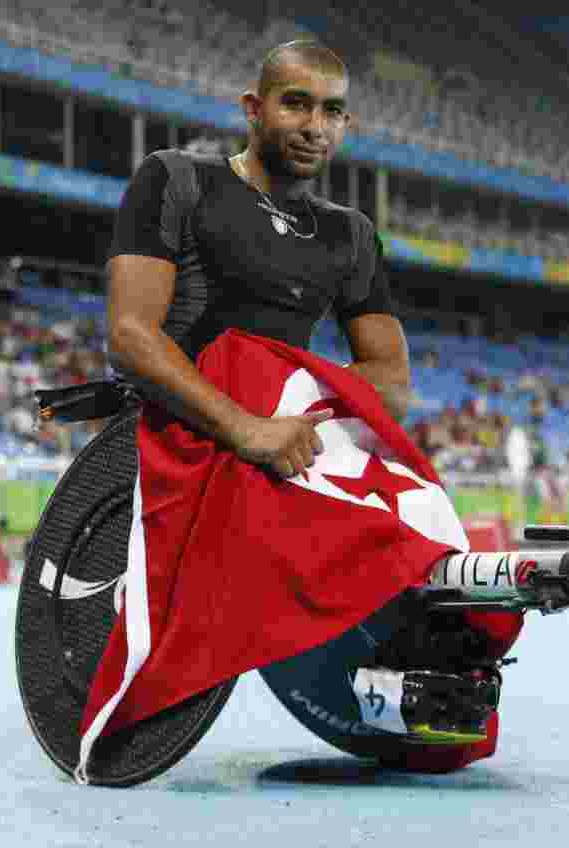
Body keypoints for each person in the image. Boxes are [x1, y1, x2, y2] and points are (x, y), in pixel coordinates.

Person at [105, 40, 511, 767]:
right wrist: (247, 428)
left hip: (288, 418)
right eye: (296, 104)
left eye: (331, 111)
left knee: (416, 510)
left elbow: (389, 378)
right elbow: (131, 336)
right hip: (196, 419)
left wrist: (303, 418)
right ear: (253, 108)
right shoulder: (178, 180)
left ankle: (435, 661)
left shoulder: (349, 234)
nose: (314, 126)